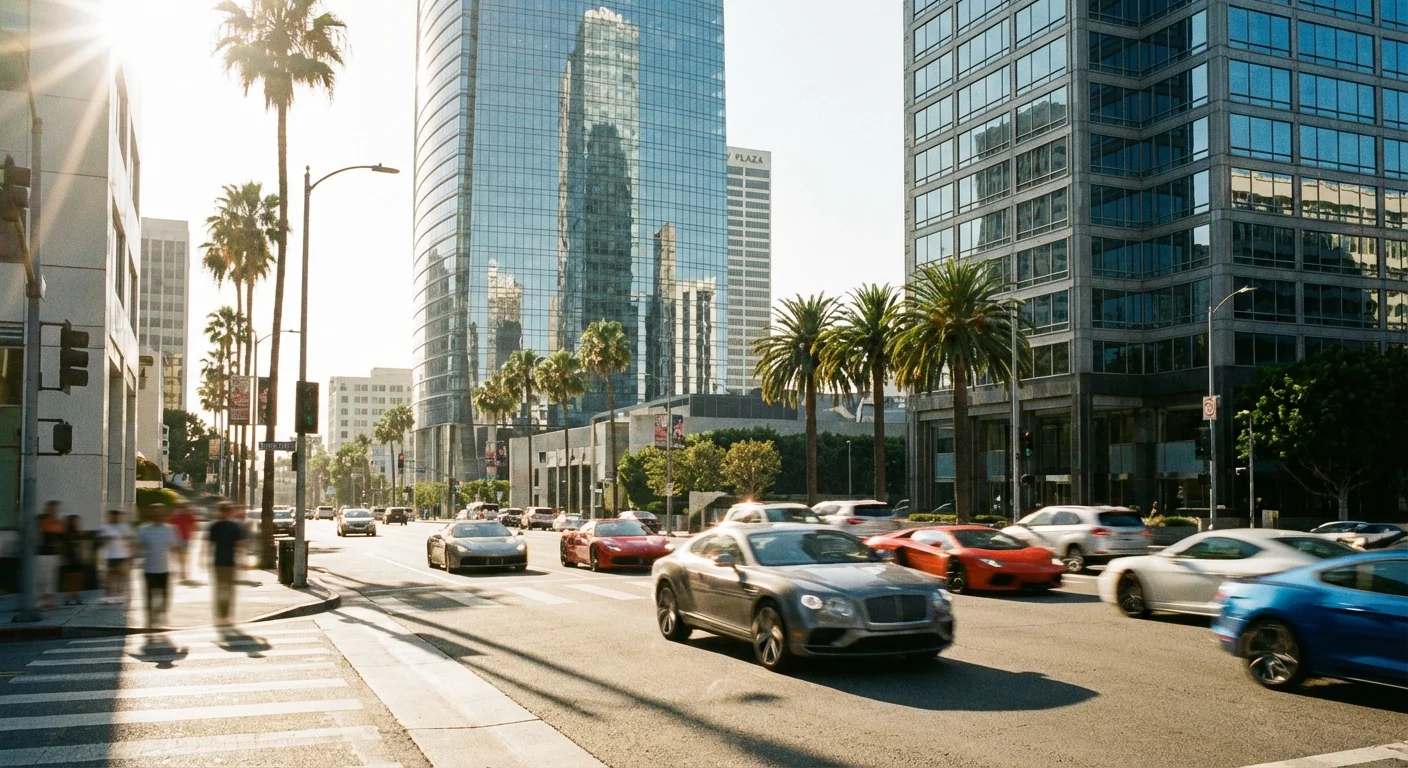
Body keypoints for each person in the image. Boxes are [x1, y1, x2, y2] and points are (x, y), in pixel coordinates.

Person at [136, 504, 179, 628]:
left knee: (164, 596)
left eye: (159, 513)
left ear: (163, 515)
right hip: (149, 568)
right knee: (149, 596)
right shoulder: (143, 529)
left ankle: (162, 616)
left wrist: (180, 566)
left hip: (165, 568)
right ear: (150, 515)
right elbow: (137, 546)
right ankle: (150, 620)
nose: (157, 515)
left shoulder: (170, 529)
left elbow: (175, 547)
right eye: (154, 513)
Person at [208, 502, 246, 625]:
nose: (227, 513)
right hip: (219, 563)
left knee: (228, 590)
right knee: (220, 589)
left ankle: (225, 615)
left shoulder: (233, 526)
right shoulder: (217, 526)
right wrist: (205, 560)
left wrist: (243, 561)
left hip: (229, 563)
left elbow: (240, 545)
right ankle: (221, 615)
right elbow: (209, 545)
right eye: (225, 510)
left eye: (228, 510)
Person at [97, 510, 134, 604]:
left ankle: (121, 596)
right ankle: (109, 596)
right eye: (113, 516)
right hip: (110, 556)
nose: (116, 518)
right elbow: (100, 540)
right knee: (110, 577)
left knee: (122, 576)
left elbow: (131, 541)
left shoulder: (125, 527)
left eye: (118, 516)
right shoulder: (105, 527)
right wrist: (107, 538)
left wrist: (131, 555)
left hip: (123, 555)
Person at [36, 502, 64, 610]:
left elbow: (60, 533)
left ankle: (49, 600)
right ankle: (41, 600)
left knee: (51, 578)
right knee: (41, 577)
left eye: (55, 509)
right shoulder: (41, 519)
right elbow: (43, 530)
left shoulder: (57, 522)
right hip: (41, 554)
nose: (54, 511)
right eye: (52, 508)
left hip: (53, 554)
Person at [58, 514, 86, 606]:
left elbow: (80, 546)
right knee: (71, 579)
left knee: (77, 578)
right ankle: (71, 596)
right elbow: (65, 546)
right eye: (75, 521)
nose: (77, 522)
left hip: (77, 558)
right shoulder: (67, 533)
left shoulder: (77, 533)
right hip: (70, 559)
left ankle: (75, 595)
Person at [168, 504, 196, 581]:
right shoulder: (187, 515)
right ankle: (183, 571)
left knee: (181, 556)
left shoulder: (177, 516)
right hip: (182, 539)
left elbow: (170, 526)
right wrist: (193, 536)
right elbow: (194, 526)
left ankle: (183, 571)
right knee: (183, 556)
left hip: (181, 539)